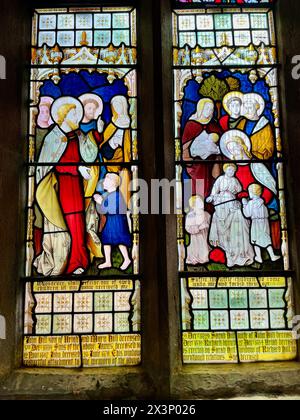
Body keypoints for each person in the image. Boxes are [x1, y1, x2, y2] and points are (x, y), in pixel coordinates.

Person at [34, 97, 91, 276]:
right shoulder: (54, 137)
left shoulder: (78, 136)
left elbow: (89, 156)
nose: (78, 117)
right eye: (74, 114)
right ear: (64, 116)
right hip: (60, 188)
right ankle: (65, 262)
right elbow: (53, 165)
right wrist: (77, 167)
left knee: (78, 224)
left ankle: (79, 261)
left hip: (77, 186)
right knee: (65, 224)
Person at [207, 163, 254, 268]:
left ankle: (236, 255)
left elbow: (239, 189)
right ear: (225, 170)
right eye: (229, 170)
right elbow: (215, 189)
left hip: (232, 202)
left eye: (232, 171)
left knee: (234, 226)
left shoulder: (235, 180)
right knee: (221, 226)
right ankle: (229, 255)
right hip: (221, 203)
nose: (231, 172)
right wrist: (211, 196)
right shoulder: (220, 179)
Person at [79, 93, 106, 263]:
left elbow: (98, 150)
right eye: (89, 108)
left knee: (93, 213)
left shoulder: (96, 127)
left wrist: (100, 131)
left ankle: (94, 248)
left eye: (94, 109)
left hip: (95, 172)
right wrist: (78, 166)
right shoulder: (74, 129)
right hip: (80, 175)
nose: (92, 111)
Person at [181, 98, 223, 197]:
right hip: (196, 164)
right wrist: (188, 160)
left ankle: (209, 208)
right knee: (198, 188)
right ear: (200, 108)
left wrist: (217, 151)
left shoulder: (214, 125)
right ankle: (196, 207)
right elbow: (185, 146)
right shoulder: (191, 125)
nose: (209, 111)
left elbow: (221, 143)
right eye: (207, 108)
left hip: (212, 163)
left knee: (211, 187)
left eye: (212, 109)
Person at [94, 173, 132, 271]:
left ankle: (127, 259)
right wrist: (101, 201)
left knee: (120, 240)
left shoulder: (116, 195)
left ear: (112, 183)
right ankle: (108, 261)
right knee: (106, 240)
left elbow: (110, 209)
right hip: (110, 222)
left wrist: (100, 201)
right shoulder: (109, 195)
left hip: (117, 223)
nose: (104, 182)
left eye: (106, 180)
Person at [99, 95, 132, 206]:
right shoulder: (111, 126)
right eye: (116, 106)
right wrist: (112, 144)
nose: (119, 109)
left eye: (121, 106)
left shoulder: (130, 128)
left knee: (123, 200)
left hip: (123, 169)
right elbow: (102, 148)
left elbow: (130, 151)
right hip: (109, 166)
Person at [242, 184, 281, 264]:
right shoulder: (262, 202)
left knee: (255, 240)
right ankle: (272, 256)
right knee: (266, 239)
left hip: (256, 223)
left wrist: (244, 204)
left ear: (252, 193)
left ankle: (259, 257)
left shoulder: (251, 203)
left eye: (249, 192)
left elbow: (247, 214)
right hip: (264, 222)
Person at [243, 93, 275, 160]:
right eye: (245, 108)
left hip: (259, 163)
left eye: (250, 108)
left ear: (256, 108)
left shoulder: (265, 125)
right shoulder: (241, 123)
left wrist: (251, 153)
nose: (247, 111)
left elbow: (269, 151)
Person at [185, 195, 211, 265]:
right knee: (197, 251)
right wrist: (199, 228)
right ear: (193, 205)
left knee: (205, 252)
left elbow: (212, 227)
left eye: (201, 201)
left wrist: (208, 227)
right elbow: (188, 228)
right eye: (198, 202)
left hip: (205, 237)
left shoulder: (207, 214)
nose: (201, 203)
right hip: (195, 238)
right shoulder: (190, 215)